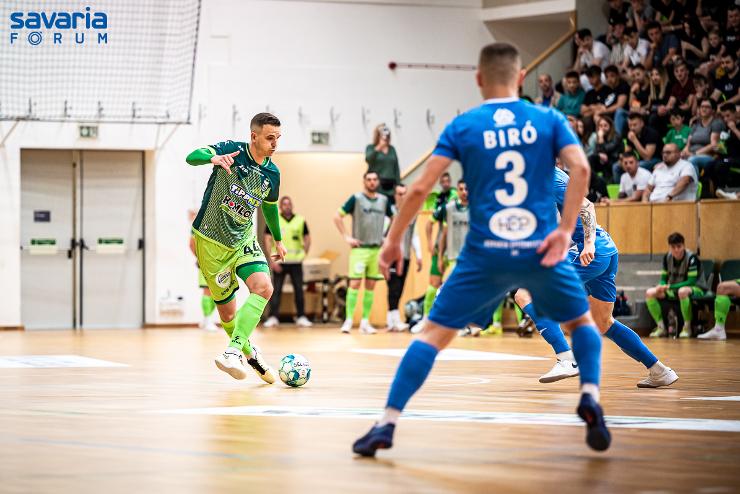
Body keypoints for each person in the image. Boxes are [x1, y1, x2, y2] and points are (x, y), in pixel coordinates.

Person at [353, 42, 611, 457]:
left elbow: (418, 187)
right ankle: (591, 397)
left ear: (478, 79)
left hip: (484, 253)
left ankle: (387, 423)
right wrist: (565, 231)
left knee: (433, 336)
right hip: (540, 247)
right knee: (582, 324)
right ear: (522, 77)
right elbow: (581, 168)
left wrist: (391, 241)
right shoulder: (547, 118)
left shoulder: (464, 125)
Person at [514, 167, 677, 388]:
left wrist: (588, 243)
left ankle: (567, 358)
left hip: (590, 250)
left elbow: (586, 205)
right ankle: (659, 371)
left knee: (525, 295)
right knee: (603, 322)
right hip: (604, 249)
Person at [186, 112, 285, 383]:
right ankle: (250, 353)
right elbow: (191, 156)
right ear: (254, 136)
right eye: (269, 138)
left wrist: (277, 238)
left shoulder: (272, 173)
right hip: (210, 241)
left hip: (243, 240)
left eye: (278, 138)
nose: (274, 143)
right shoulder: (231, 151)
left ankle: (232, 352)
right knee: (228, 316)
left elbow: (270, 206)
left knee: (264, 287)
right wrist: (212, 158)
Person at [334, 171, 395, 334]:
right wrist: (347, 237)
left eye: (375, 179)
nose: (372, 182)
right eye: (369, 179)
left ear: (378, 182)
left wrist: (387, 237)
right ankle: (348, 320)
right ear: (364, 182)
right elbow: (337, 216)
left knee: (371, 285)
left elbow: (395, 218)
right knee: (354, 284)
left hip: (377, 250)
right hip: (359, 250)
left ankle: (365, 322)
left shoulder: (384, 201)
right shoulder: (356, 199)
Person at [414, 173, 457, 333]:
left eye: (447, 180)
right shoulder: (441, 201)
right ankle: (426, 319)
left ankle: (455, 323)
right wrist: (431, 243)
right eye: (442, 181)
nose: (445, 183)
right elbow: (429, 224)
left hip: (457, 250)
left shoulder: (456, 200)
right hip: (441, 248)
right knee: (433, 284)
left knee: (455, 287)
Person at [263, 196, 313, 329]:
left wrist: (304, 254)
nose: (287, 206)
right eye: (284, 204)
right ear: (280, 206)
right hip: (279, 262)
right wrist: (271, 261)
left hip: (296, 262)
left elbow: (307, 238)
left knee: (299, 290)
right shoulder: (275, 220)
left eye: (289, 204)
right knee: (276, 290)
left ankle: (301, 316)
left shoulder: (300, 220)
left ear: (292, 205)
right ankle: (273, 317)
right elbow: (267, 238)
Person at [646, 232, 705, 338]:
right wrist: (661, 285)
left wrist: (669, 287)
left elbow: (691, 281)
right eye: (673, 247)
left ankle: (687, 328)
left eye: (679, 246)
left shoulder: (692, 258)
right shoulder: (667, 258)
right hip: (675, 289)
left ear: (683, 245)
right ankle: (661, 327)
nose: (676, 250)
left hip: (697, 288)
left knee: (683, 291)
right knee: (650, 293)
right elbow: (664, 278)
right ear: (670, 247)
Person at [386, 184, 422, 332]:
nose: (402, 197)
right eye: (399, 194)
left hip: (406, 255)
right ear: (395, 196)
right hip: (392, 257)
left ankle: (394, 319)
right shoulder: (390, 213)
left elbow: (414, 235)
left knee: (400, 287)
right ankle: (392, 320)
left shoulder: (412, 214)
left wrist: (419, 255)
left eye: (404, 194)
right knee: (393, 287)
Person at [189, 210, 218, 332]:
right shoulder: (199, 225)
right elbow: (191, 244)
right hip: (206, 263)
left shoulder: (219, 226)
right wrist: (200, 258)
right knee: (207, 290)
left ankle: (207, 319)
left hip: (218, 263)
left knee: (217, 292)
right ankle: (207, 319)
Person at [613, 112, 661, 183]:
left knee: (639, 165)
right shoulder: (630, 134)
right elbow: (628, 152)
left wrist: (635, 140)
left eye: (635, 125)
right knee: (616, 166)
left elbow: (647, 157)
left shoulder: (651, 134)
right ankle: (622, 189)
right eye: (630, 125)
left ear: (642, 123)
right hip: (641, 160)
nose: (632, 128)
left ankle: (637, 186)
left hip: (656, 159)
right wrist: (622, 159)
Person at [436, 179, 469, 277]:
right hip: (453, 258)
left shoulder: (476, 209)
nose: (464, 192)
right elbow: (444, 234)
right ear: (457, 191)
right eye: (461, 189)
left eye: (466, 189)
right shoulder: (449, 208)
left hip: (471, 258)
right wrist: (440, 257)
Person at [683, 98, 725, 172]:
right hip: (691, 153)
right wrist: (684, 151)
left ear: (713, 110)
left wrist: (694, 153)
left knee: (691, 160)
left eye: (707, 107)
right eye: (702, 107)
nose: (704, 109)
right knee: (675, 160)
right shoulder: (696, 124)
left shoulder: (717, 123)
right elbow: (688, 142)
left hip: (709, 156)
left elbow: (713, 144)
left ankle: (694, 183)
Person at [366, 124, 400, 202]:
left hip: (391, 187)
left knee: (391, 210)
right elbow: (368, 159)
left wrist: (398, 184)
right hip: (377, 186)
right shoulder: (371, 147)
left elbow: (396, 167)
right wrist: (378, 147)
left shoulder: (392, 149)